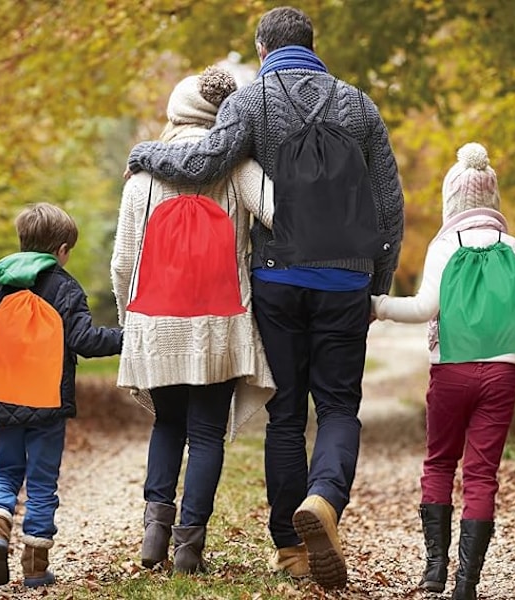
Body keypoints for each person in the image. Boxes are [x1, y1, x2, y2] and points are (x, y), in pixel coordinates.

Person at [122, 6, 405, 590]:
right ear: (312, 44)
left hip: (278, 279)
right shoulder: (359, 105)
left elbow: (203, 163)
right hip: (346, 278)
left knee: (285, 415)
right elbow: (390, 207)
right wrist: (376, 285)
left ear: (260, 49)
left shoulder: (249, 102)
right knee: (338, 408)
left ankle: (289, 548)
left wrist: (145, 154)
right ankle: (324, 499)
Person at [110, 66, 276, 574]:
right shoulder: (239, 167)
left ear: (176, 111)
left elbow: (122, 261)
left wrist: (129, 322)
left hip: (155, 322)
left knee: (168, 424)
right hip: (220, 325)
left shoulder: (142, 175)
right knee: (206, 433)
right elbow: (279, 212)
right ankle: (189, 549)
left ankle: (153, 537)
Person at [372, 143, 515, 600]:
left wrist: (377, 306)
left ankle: (433, 571)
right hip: (504, 372)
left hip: (452, 370)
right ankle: (467, 584)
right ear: (493, 196)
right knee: (483, 474)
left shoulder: (445, 244)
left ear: (452, 199)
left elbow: (426, 308)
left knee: (441, 462)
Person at [0, 202, 123, 587]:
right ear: (60, 249)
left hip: (2, 397)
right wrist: (127, 338)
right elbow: (84, 341)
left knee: (4, 470)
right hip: (46, 401)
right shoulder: (64, 286)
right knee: (42, 481)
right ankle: (35, 566)